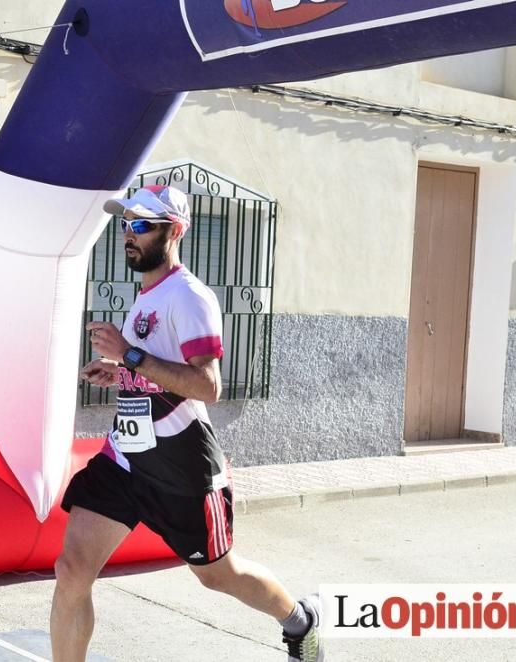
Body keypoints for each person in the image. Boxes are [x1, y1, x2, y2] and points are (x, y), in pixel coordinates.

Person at [50, 185, 323, 662]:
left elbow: (207, 386)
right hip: (126, 459)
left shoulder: (190, 297)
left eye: (141, 226)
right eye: (126, 225)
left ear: (174, 232)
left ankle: (300, 621)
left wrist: (129, 353)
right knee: (72, 569)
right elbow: (159, 371)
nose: (128, 236)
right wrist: (121, 373)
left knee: (220, 576)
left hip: (181, 467)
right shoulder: (147, 297)